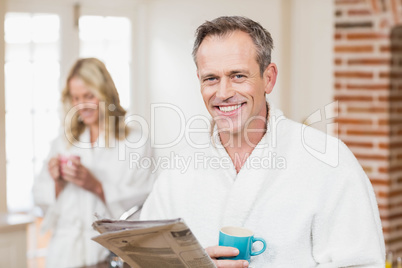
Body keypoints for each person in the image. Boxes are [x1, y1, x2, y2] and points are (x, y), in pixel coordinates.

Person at [140, 16, 385, 267]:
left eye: (237, 76)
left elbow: (362, 263)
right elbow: (146, 257)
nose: (223, 93)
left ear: (268, 78)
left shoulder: (329, 160)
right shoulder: (178, 169)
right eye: (211, 78)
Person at [33, 58, 154, 267]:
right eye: (76, 97)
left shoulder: (135, 142)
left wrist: (97, 186)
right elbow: (38, 196)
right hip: (63, 255)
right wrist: (57, 184)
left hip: (109, 255)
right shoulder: (64, 142)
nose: (82, 105)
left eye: (89, 96)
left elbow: (146, 204)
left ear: (105, 93)